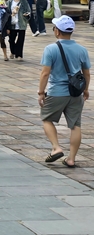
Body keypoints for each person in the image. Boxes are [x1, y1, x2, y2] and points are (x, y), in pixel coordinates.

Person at [39, 16, 91, 168]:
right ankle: (71, 158)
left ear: (57, 31)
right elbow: (86, 73)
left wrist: (41, 92)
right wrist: (86, 89)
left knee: (47, 118)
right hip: (76, 93)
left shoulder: (51, 49)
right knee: (75, 125)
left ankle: (56, 147)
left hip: (57, 92)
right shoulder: (81, 49)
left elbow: (45, 73)